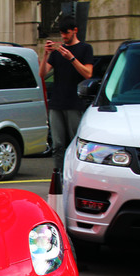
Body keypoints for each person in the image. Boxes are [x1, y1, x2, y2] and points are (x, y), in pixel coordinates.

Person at [40, 15, 94, 172]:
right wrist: (45, 54)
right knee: (57, 145)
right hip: (56, 103)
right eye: (61, 33)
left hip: (74, 103)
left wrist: (72, 59)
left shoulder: (85, 49)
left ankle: (76, 173)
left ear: (75, 31)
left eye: (67, 33)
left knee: (75, 142)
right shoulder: (58, 53)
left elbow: (88, 73)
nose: (64, 36)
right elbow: (42, 73)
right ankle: (60, 176)